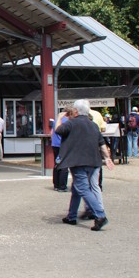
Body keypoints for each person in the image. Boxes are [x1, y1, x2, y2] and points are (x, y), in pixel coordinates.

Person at [55, 99, 114, 231]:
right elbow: (102, 144)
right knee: (77, 188)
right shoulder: (93, 125)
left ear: (75, 111)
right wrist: (107, 158)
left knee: (82, 188)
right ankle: (71, 216)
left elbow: (58, 130)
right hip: (94, 161)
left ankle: (100, 215)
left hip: (78, 161)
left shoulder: (71, 123)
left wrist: (59, 118)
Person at [51, 109, 71, 192]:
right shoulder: (67, 122)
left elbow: (52, 132)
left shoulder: (56, 121)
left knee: (57, 164)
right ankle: (62, 186)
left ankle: (56, 184)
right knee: (64, 165)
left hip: (55, 144)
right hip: (62, 144)